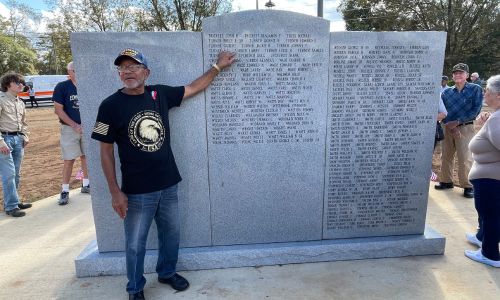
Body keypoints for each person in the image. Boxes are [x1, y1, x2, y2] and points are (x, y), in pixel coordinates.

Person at [91, 48, 236, 300]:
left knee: (171, 234)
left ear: (146, 72)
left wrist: (218, 67)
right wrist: (115, 191)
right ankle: (135, 288)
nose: (128, 72)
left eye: (134, 67)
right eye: (123, 68)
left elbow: (192, 88)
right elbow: (104, 151)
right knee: (135, 244)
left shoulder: (159, 94)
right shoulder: (109, 106)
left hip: (168, 184)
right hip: (137, 191)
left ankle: (167, 272)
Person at [464, 74, 500, 268]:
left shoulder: (497, 119)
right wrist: (482, 125)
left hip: (491, 178)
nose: (484, 94)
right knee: (488, 212)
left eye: (488, 91)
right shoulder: (495, 117)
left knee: (490, 214)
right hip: (489, 175)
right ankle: (482, 237)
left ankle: (490, 254)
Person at [435, 63, 483, 198]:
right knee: (446, 155)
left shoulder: (475, 89)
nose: (458, 75)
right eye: (455, 73)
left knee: (465, 157)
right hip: (447, 126)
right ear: (452, 76)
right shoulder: (446, 92)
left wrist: (457, 123)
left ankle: (468, 186)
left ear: (467, 75)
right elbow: (442, 111)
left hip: (466, 127)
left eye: (461, 73)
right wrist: (450, 125)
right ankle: (446, 181)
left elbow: (475, 110)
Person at [53, 62, 90, 205]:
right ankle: (64, 190)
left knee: (86, 157)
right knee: (69, 159)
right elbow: (58, 110)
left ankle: (86, 185)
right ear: (69, 71)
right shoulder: (62, 87)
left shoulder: (85, 86)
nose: (78, 72)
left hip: (85, 128)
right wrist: (74, 125)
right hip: (69, 129)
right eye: (75, 70)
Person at [0, 72, 32, 217]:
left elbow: (24, 123)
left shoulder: (20, 102)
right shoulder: (1, 100)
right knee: (9, 174)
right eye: (17, 82)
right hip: (4, 140)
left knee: (16, 174)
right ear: (8, 85)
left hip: (17, 139)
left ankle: (15, 200)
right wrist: (0, 142)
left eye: (21, 82)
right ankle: (11, 206)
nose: (21, 85)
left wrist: (25, 136)